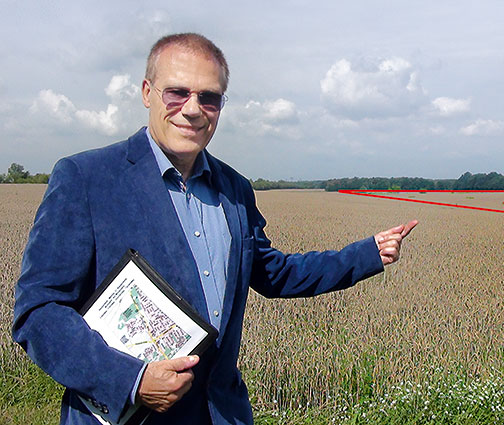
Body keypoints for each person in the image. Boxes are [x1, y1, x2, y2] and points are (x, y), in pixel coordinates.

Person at [12, 33, 417, 425]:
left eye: (209, 97)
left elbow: (272, 273)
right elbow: (38, 312)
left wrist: (367, 254)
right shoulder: (87, 178)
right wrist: (132, 381)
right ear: (147, 92)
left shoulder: (235, 189)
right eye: (177, 92)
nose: (193, 109)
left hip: (220, 413)